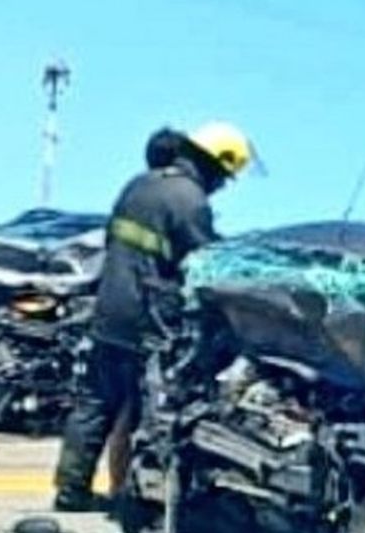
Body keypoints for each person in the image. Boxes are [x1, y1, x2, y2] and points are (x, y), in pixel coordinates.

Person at [52, 121, 258, 512]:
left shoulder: (138, 185)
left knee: (95, 403)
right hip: (148, 319)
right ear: (214, 165)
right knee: (153, 410)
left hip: (109, 312)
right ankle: (141, 498)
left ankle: (71, 490)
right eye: (225, 178)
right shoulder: (190, 200)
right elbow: (205, 260)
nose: (221, 186)